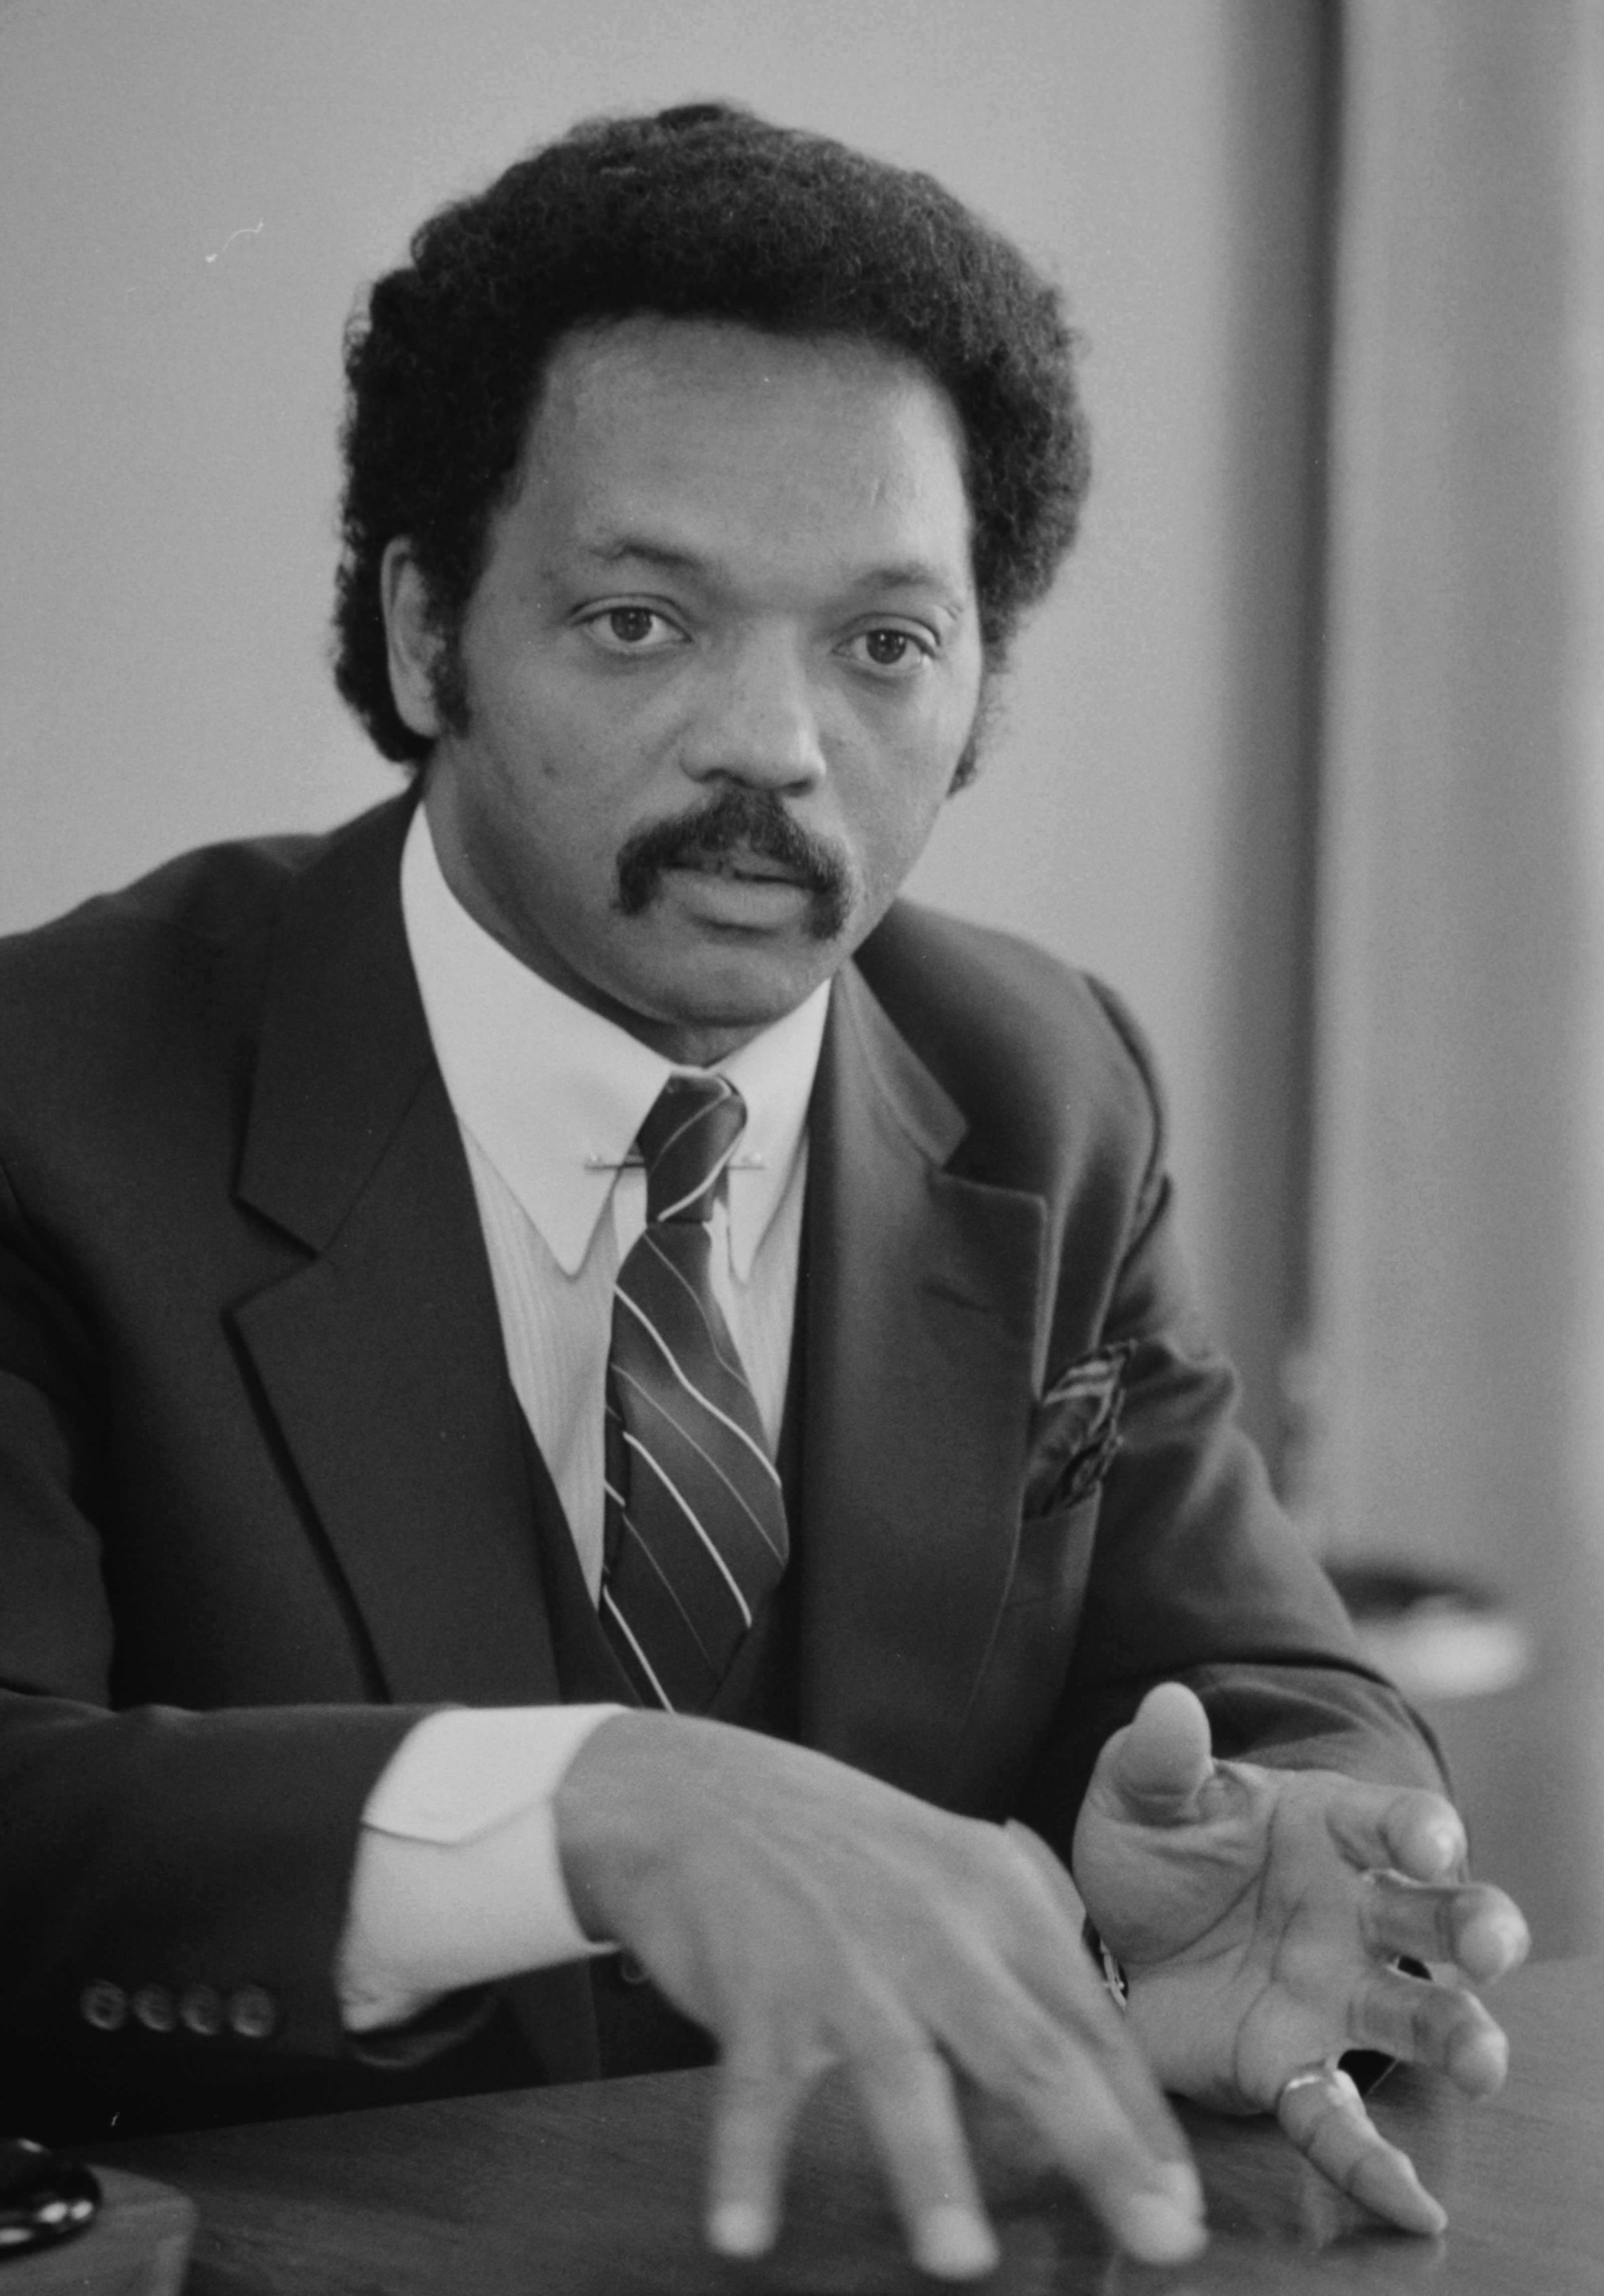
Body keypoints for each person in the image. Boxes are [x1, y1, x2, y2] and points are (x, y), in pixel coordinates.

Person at [0, 103, 1527, 2279]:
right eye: (642, 621)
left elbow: (1257, 1670)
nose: (777, 745)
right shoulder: (55, 1091)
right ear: (429, 634)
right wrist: (591, 1803)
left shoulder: (1045, 1084)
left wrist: (1268, 1862)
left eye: (884, 642)